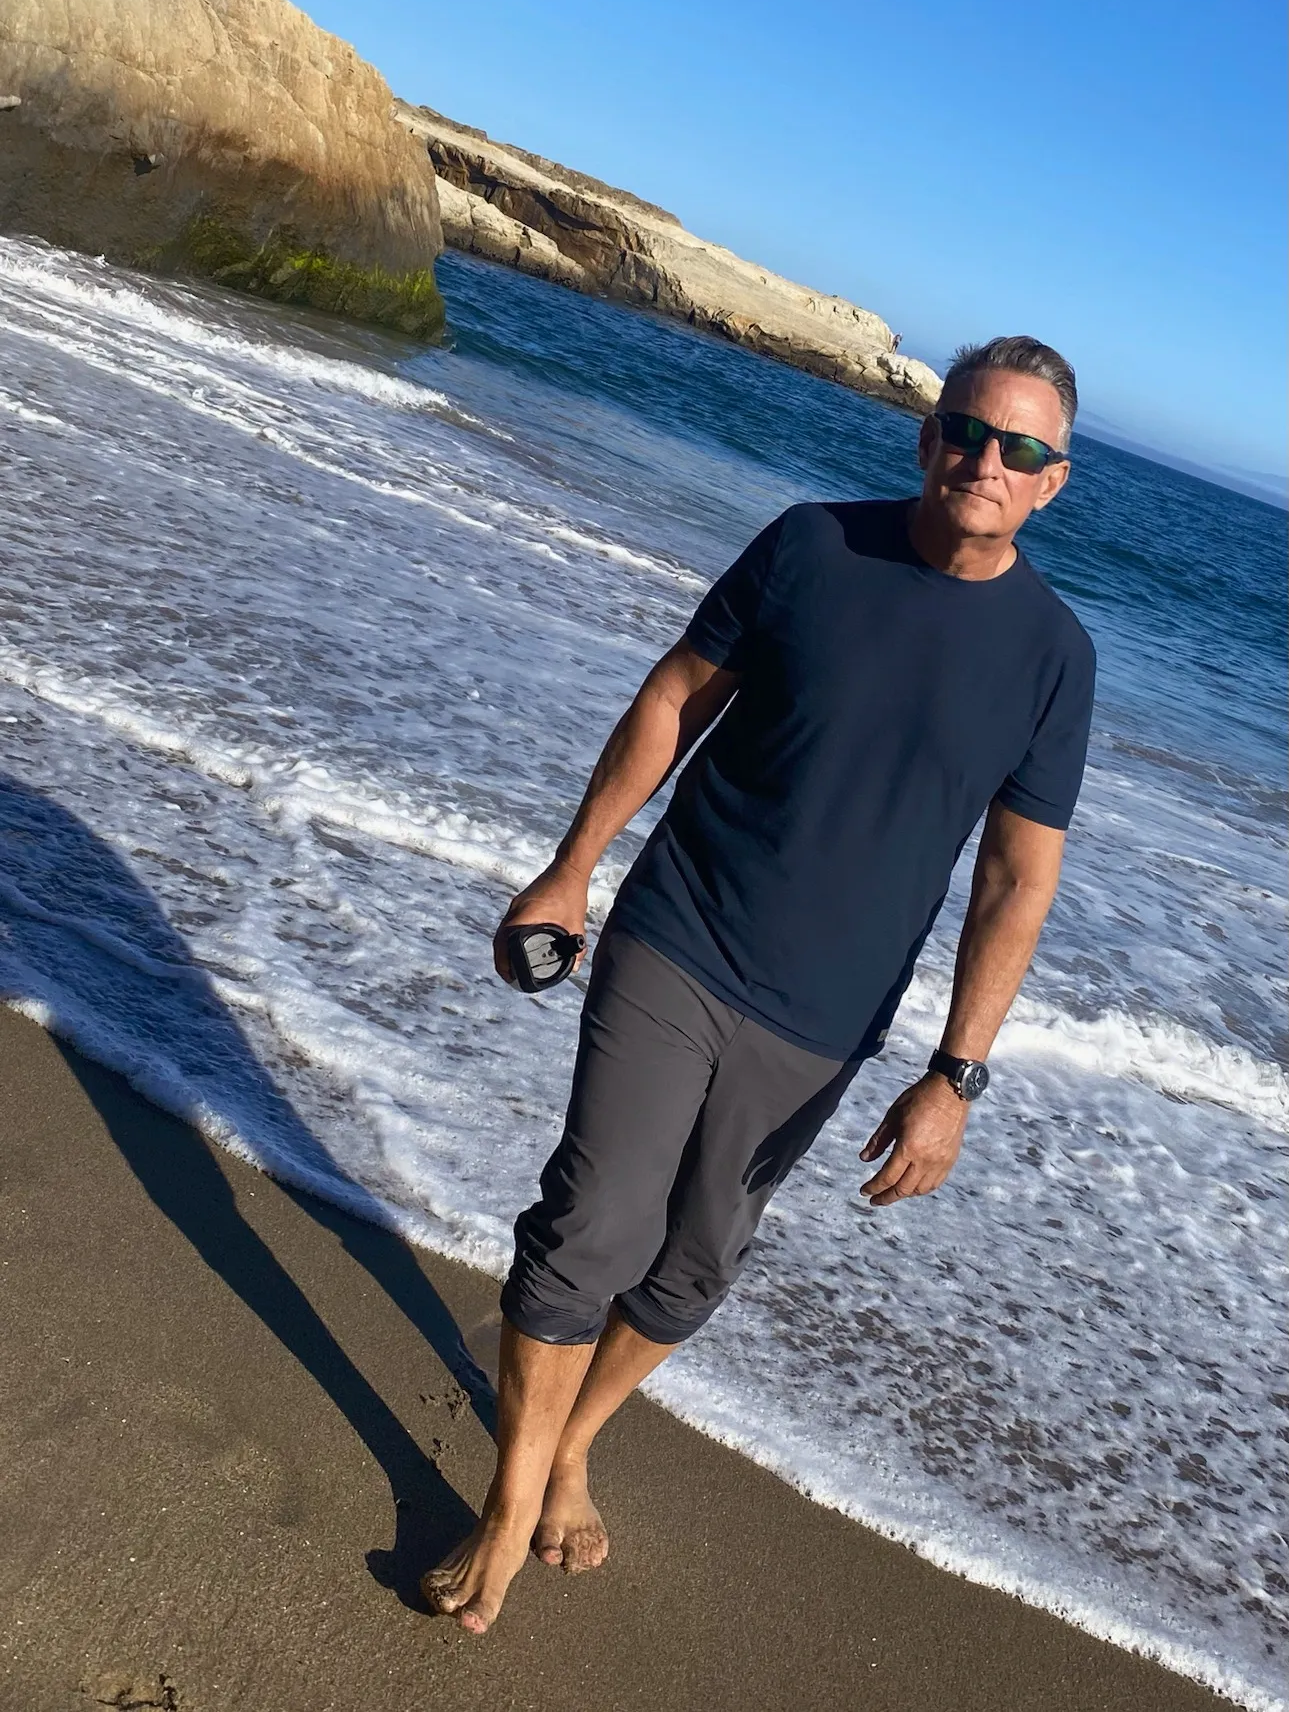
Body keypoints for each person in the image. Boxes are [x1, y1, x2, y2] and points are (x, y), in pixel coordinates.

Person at [425, 334, 1095, 1634]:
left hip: (828, 1018)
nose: (985, 461)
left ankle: (575, 1443)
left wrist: (955, 1073)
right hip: (682, 934)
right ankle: (509, 1499)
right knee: (594, 1220)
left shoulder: (1053, 658)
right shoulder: (812, 548)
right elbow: (674, 698)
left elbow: (1019, 882)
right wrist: (570, 870)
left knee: (692, 1266)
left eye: (1021, 447)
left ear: (1053, 481)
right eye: (967, 429)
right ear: (927, 436)